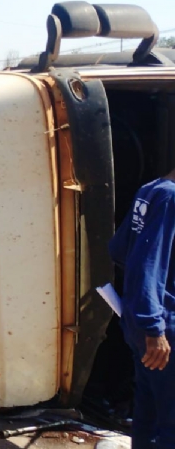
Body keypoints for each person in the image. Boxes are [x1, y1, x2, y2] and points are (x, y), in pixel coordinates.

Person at [110, 172, 175, 449]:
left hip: (141, 326)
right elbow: (149, 262)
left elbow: (119, 249)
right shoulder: (171, 198)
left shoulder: (151, 189)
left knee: (147, 415)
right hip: (162, 330)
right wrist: (154, 326)